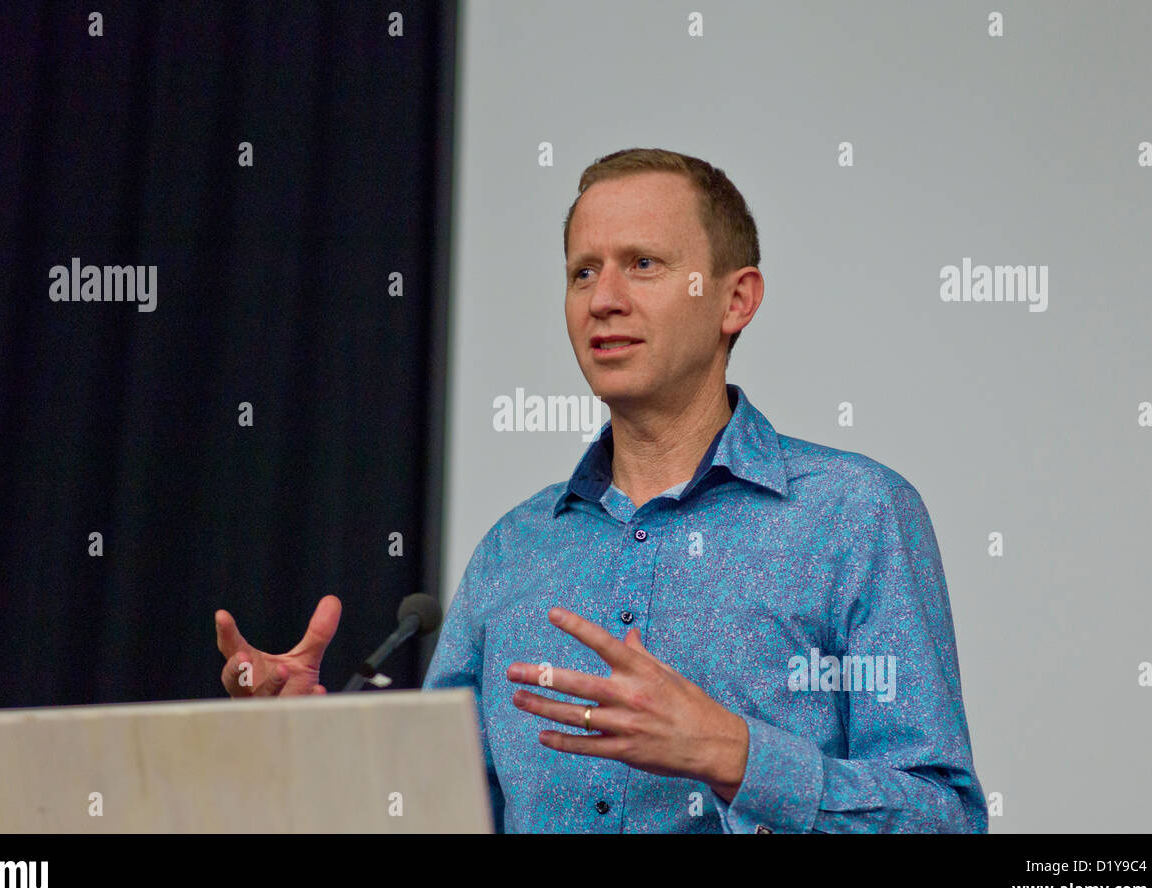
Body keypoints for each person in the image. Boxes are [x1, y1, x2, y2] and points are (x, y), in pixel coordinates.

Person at [215, 148, 987, 834]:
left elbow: (946, 820)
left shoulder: (855, 514)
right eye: (583, 271)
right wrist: (313, 755)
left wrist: (732, 753)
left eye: (642, 264)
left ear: (736, 300)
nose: (602, 299)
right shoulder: (516, 548)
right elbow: (447, 814)